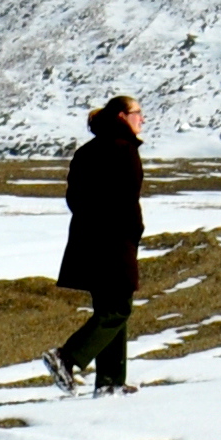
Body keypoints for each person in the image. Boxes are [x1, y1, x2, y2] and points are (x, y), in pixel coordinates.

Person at [44, 93, 144, 395]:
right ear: (121, 117)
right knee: (117, 309)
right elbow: (127, 200)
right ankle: (66, 357)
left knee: (109, 307)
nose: (142, 119)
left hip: (89, 239)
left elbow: (74, 198)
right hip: (115, 241)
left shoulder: (87, 151)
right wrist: (131, 231)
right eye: (137, 113)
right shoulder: (123, 150)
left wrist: (93, 220)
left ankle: (110, 383)